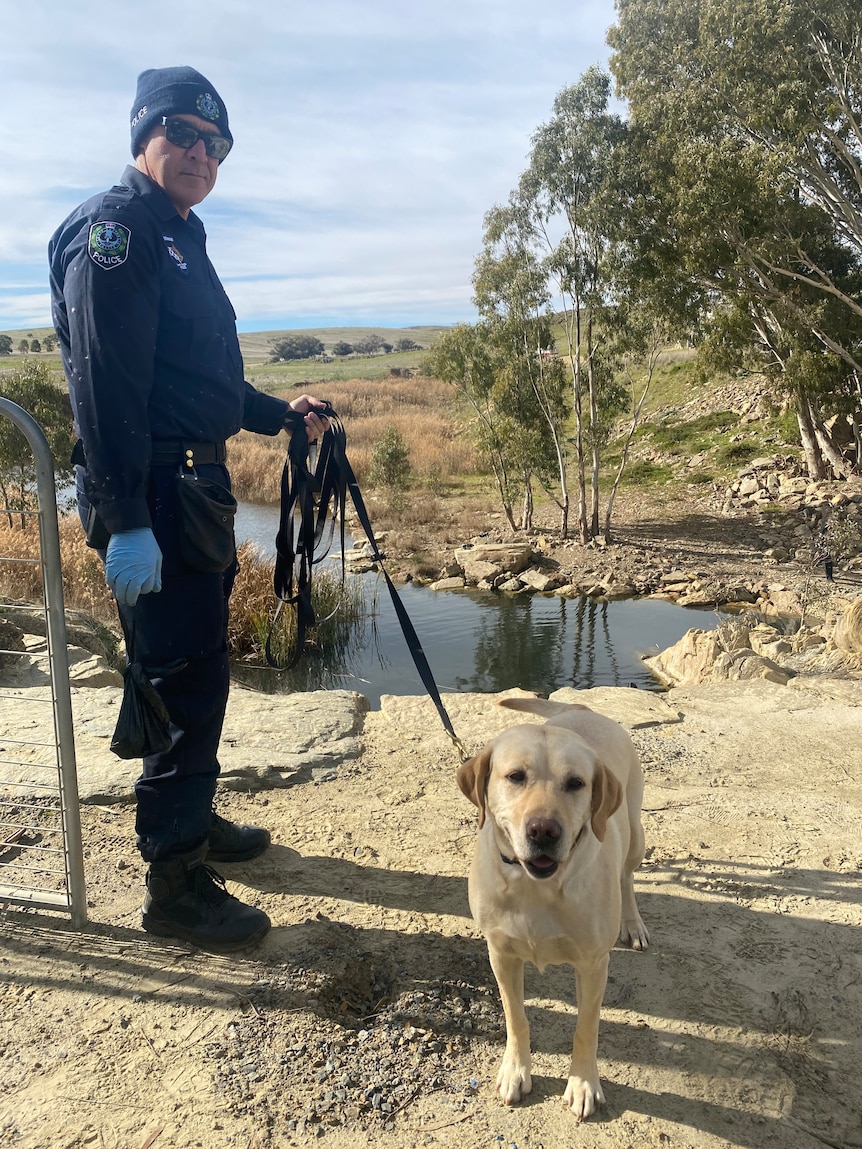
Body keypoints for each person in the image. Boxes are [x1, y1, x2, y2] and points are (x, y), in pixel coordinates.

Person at [48, 66, 330, 952]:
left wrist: (276, 411)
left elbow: (199, 380)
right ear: (144, 134)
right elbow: (107, 382)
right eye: (185, 133)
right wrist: (125, 514)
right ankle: (173, 884)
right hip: (156, 498)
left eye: (219, 144)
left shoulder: (184, 234)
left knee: (202, 669)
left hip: (193, 491)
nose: (202, 154)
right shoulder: (118, 231)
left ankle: (193, 819)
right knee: (176, 680)